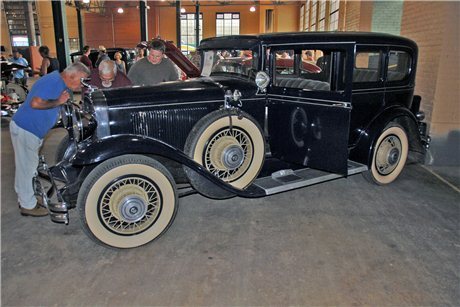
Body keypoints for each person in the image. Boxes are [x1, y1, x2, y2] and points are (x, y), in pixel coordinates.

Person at [10, 62, 90, 217]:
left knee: (28, 166)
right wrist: (58, 102)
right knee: (27, 168)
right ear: (72, 75)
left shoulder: (60, 84)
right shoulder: (53, 82)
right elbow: (36, 103)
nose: (82, 85)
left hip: (31, 130)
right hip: (27, 128)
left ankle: (27, 199)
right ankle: (28, 205)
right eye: (81, 80)